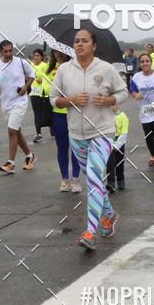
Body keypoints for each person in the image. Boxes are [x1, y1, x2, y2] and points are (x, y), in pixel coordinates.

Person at [49, 28, 127, 250]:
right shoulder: (64, 70)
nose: (79, 44)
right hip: (76, 134)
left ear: (94, 45)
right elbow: (53, 100)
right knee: (93, 181)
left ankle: (90, 232)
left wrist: (109, 100)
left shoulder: (106, 68)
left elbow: (123, 93)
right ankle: (109, 215)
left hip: (102, 131)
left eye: (84, 41)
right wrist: (71, 99)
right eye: (76, 41)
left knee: (93, 179)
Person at [0, 40, 36, 174]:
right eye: (6, 51)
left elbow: (32, 75)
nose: (9, 53)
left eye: (11, 50)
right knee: (16, 131)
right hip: (6, 103)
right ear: (0, 52)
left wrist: (26, 87)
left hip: (20, 101)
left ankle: (10, 163)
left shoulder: (21, 62)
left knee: (11, 131)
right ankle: (30, 156)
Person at [43, 50, 81, 192]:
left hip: (74, 112)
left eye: (60, 51)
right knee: (62, 147)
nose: (57, 53)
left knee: (76, 146)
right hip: (58, 113)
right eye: (54, 51)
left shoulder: (75, 68)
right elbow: (47, 90)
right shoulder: (50, 69)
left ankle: (76, 179)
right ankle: (65, 179)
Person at [106, 108, 129, 192]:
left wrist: (117, 145)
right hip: (109, 144)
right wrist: (110, 144)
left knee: (120, 163)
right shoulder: (105, 116)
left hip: (119, 145)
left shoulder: (123, 117)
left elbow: (124, 133)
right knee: (110, 163)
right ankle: (111, 183)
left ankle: (121, 181)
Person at [29, 49, 49, 143]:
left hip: (44, 93)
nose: (36, 57)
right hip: (34, 93)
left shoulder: (45, 66)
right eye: (35, 55)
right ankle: (39, 134)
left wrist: (42, 80)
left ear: (41, 57)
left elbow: (49, 78)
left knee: (46, 112)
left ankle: (52, 129)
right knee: (36, 114)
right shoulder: (30, 66)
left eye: (38, 56)